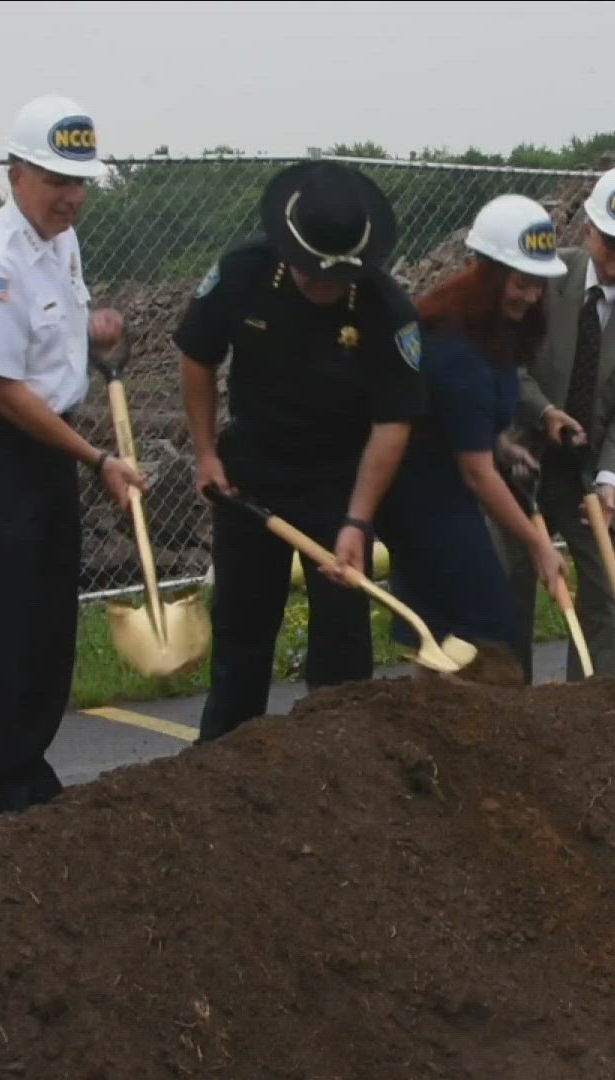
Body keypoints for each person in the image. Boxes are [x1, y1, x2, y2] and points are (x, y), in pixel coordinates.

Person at [0, 93, 142, 824]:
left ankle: (29, 777)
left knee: (49, 622)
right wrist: (96, 458)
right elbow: (2, 387)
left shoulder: (60, 242)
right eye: (56, 180)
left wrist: (92, 334)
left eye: (79, 181)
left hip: (46, 448)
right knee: (1, 626)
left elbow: (44, 344)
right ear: (14, 174)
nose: (72, 196)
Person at [176, 160, 425, 741]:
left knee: (342, 644)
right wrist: (207, 454)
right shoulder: (244, 271)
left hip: (338, 480)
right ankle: (225, 761)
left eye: (335, 280)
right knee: (241, 632)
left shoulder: (387, 309)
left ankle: (345, 765)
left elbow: (394, 422)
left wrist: (358, 521)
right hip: (250, 472)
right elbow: (197, 356)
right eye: (312, 275)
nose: (322, 289)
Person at [374, 195, 568, 666]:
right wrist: (538, 542)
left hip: (446, 485)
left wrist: (499, 444)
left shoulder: (494, 329)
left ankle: (440, 717)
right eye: (521, 284)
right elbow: (476, 472)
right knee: (487, 628)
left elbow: (464, 426)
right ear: (489, 273)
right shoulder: (457, 347)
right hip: (423, 497)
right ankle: (461, 726)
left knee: (453, 631)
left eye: (538, 285)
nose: (531, 296)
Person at [498, 162, 615, 681]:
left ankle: (595, 714)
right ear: (588, 230)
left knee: (607, 591)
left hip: (590, 468)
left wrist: (610, 480)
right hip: (523, 456)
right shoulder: (548, 277)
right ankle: (508, 703)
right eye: (613, 241)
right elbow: (512, 365)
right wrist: (546, 413)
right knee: (510, 583)